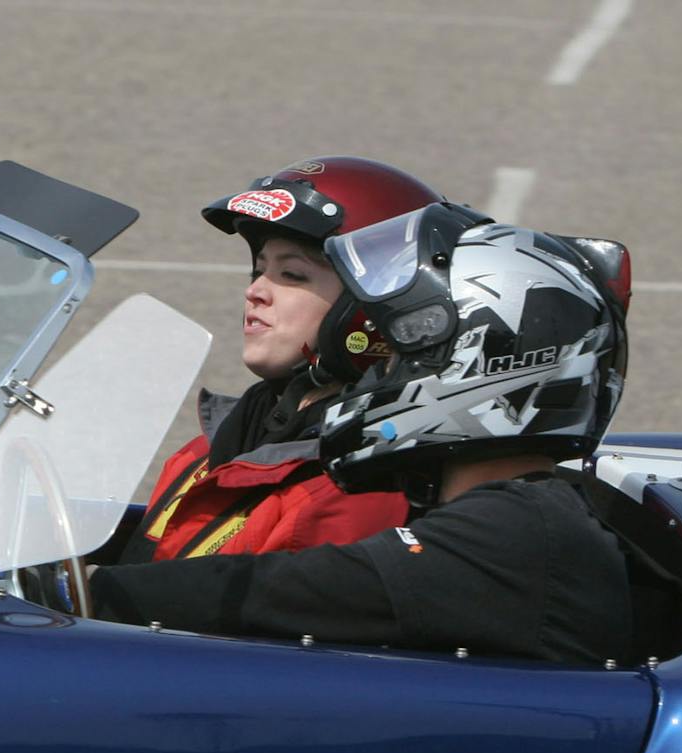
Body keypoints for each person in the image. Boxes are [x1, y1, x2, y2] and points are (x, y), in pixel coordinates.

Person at [93, 207, 644, 666]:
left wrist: (80, 597)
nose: (378, 377)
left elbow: (280, 587)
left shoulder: (512, 535)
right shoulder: (505, 515)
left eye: (405, 356)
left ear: (488, 365)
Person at [118, 158, 442, 563]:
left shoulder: (349, 495)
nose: (255, 291)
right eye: (259, 270)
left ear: (372, 306)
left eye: (292, 275)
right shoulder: (211, 450)